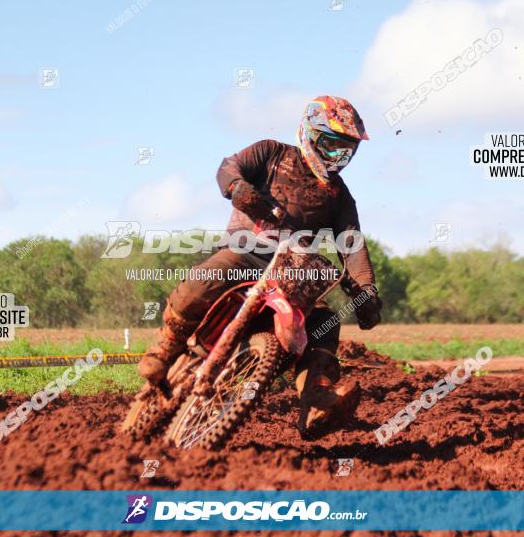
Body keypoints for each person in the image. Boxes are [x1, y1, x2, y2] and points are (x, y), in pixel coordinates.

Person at [138, 96, 382, 435]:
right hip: (247, 252)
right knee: (209, 277)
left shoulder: (339, 196)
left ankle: (316, 399)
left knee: (325, 319)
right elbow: (228, 167)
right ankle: (165, 347)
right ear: (309, 134)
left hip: (293, 271)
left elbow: (352, 244)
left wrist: (365, 292)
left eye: (346, 152)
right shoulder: (271, 154)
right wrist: (238, 188)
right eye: (331, 147)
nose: (337, 158)